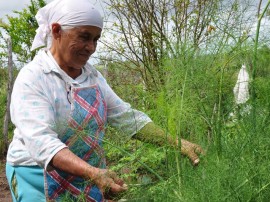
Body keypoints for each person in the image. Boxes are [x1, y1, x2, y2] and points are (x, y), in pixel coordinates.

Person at [5, 0, 204, 201]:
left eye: (96, 39)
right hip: (37, 175)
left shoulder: (92, 77)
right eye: (84, 37)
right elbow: (41, 142)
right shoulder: (34, 77)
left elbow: (127, 118)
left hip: (86, 175)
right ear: (56, 31)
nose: (91, 47)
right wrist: (93, 173)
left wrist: (178, 144)